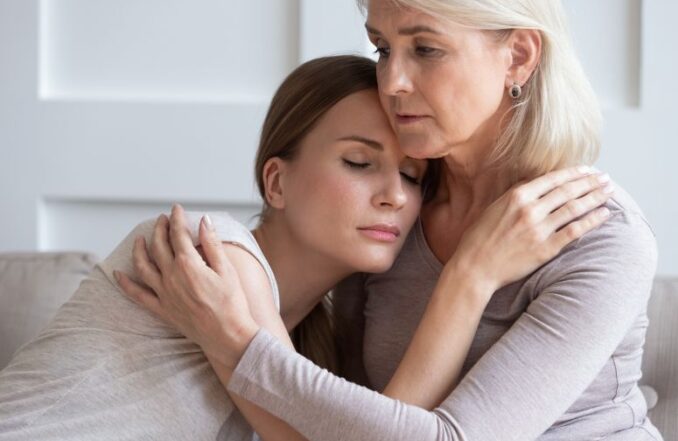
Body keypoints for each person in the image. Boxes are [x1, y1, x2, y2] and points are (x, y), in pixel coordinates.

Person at [118, 0, 662, 440]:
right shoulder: (394, 214)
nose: (393, 81)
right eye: (382, 49)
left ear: (517, 56)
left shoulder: (600, 237)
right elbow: (353, 418)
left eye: (425, 49)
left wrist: (236, 343)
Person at [0, 56, 606, 440]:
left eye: (414, 177)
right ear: (277, 181)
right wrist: (469, 274)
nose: (395, 196)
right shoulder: (207, 254)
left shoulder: (310, 346)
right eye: (359, 162)